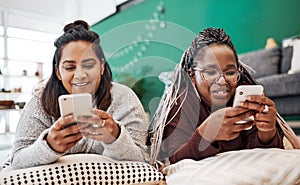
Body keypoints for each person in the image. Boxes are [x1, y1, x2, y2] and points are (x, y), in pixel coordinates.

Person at [3, 20, 148, 170]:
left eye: (89, 65)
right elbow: (18, 160)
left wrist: (115, 137)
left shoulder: (124, 98)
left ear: (102, 67)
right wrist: (49, 146)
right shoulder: (40, 102)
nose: (80, 75)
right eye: (70, 67)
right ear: (58, 72)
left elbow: (141, 159)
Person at [148, 28, 300, 166]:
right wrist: (206, 134)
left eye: (230, 73)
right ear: (193, 76)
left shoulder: (246, 95)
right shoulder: (181, 102)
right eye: (210, 72)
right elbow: (174, 159)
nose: (222, 81)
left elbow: (264, 153)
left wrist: (267, 132)